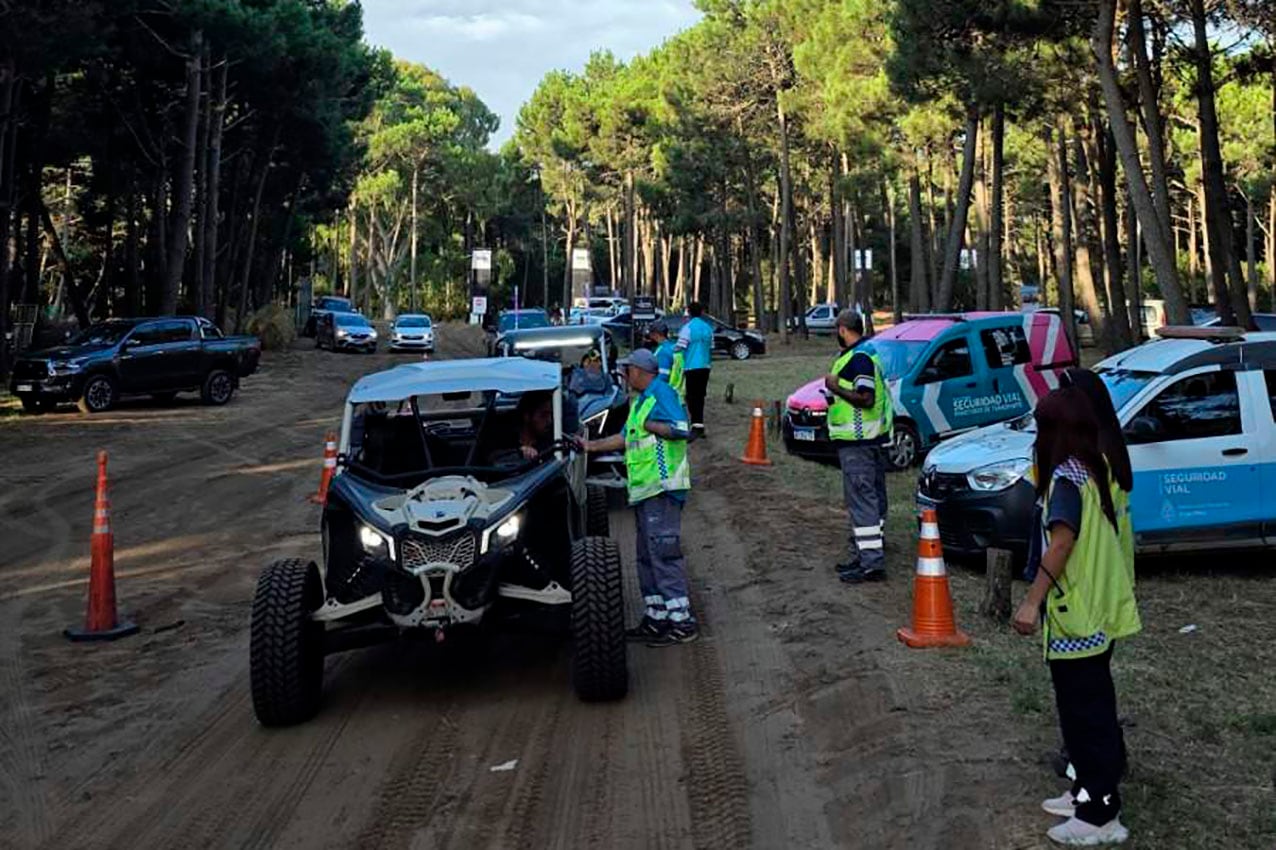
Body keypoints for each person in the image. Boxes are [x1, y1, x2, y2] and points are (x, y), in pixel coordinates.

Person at [1013, 387, 1141, 847]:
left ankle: (1100, 813)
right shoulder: (1092, 468)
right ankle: (1085, 790)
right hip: (1097, 612)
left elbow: (1062, 544)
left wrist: (1031, 601)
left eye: (1040, 428)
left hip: (1078, 616)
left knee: (1087, 716)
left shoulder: (1067, 481)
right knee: (1087, 711)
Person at [582, 348, 696, 646]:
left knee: (663, 553)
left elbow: (682, 429)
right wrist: (589, 446)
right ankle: (657, 617)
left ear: (640, 371)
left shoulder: (661, 394)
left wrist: (652, 426)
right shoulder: (641, 402)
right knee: (646, 557)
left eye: (628, 370)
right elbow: (624, 438)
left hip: (663, 489)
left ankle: (682, 622)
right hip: (645, 492)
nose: (625, 375)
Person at [825, 309, 891, 583]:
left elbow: (865, 397)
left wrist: (835, 387)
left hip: (858, 442)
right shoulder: (867, 353)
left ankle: (871, 563)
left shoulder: (859, 358)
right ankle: (864, 554)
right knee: (872, 500)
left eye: (835, 330)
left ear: (842, 329)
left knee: (862, 501)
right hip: (869, 440)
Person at [676, 302, 714, 437]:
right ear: (702, 312)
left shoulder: (687, 328)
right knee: (700, 395)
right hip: (705, 366)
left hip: (691, 366)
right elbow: (711, 347)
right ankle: (700, 424)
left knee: (691, 396)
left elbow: (680, 347)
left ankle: (695, 426)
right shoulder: (708, 328)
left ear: (689, 313)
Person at [648, 320, 685, 400]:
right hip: (679, 395)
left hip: (666, 397)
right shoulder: (675, 348)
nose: (649, 338)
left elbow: (662, 377)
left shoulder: (663, 352)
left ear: (656, 334)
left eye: (651, 335)